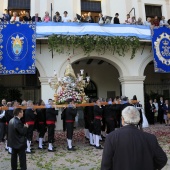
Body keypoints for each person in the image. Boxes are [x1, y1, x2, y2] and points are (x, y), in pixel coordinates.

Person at [101, 106, 167, 170]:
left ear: (122, 119)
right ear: (138, 119)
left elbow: (106, 164)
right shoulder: (150, 138)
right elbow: (162, 159)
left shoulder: (111, 137)